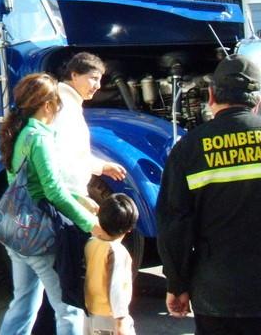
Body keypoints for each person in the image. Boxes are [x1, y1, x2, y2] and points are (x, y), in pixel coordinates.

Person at [157, 55, 261, 335]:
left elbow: (174, 223)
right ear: (257, 101)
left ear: (212, 96)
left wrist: (176, 283)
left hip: (216, 292)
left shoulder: (188, 148)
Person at [0, 72, 105, 335]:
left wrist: (78, 198)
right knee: (69, 308)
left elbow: (31, 184)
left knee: (23, 304)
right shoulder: (39, 137)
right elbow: (53, 191)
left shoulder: (21, 132)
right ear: (48, 105)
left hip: (17, 230)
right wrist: (90, 224)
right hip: (38, 234)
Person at [54, 52, 127, 207]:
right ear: (74, 75)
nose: (98, 86)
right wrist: (75, 199)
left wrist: (101, 167)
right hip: (66, 195)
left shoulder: (67, 103)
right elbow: (63, 157)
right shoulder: (64, 107)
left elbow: (73, 154)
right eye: (94, 78)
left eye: (99, 80)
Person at [84, 193, 139, 335]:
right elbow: (116, 287)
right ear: (129, 228)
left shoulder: (91, 243)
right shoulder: (117, 252)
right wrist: (121, 320)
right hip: (109, 316)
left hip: (89, 310)